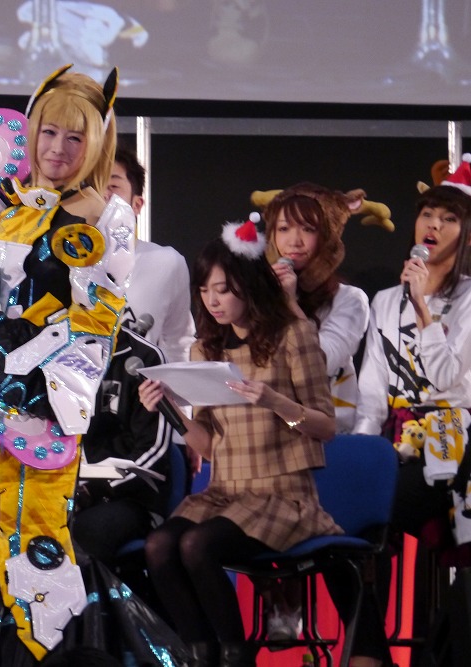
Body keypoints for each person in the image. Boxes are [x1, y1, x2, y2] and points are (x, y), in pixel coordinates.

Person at [0, 66, 187, 666]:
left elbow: (98, 323)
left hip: (46, 400)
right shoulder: (10, 208)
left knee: (36, 540)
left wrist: (22, 346)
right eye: (48, 132)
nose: (58, 149)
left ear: (96, 143)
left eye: (75, 137)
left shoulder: (107, 218)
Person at [138, 219, 341, 667]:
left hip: (282, 495)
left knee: (197, 546)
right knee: (159, 547)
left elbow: (326, 426)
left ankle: (237, 655)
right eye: (205, 291)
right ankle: (199, 652)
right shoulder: (205, 351)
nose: (212, 301)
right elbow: (210, 448)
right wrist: (169, 409)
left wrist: (274, 401)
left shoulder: (294, 335)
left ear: (249, 286)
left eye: (223, 290)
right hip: (225, 492)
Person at [347, 157, 471, 667]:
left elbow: (448, 383)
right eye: (427, 214)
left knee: (385, 508)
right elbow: (372, 389)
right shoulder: (384, 301)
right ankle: (369, 653)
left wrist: (423, 311)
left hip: (454, 446)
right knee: (344, 520)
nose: (433, 225)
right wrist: (359, 454)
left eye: (449, 218)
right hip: (393, 444)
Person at [256, 182, 392, 639]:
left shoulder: (349, 300)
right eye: (283, 229)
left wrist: (290, 305)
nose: (294, 240)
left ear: (327, 238)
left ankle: (363, 644)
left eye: (307, 230)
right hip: (265, 442)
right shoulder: (253, 294)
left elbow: (323, 360)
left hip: (328, 440)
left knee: (330, 539)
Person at [74, 325, 175, 566]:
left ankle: (101, 592)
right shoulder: (54, 354)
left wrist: (93, 489)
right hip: (65, 492)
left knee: (85, 531)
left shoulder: (143, 358)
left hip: (129, 498)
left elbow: (154, 451)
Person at [108, 145, 195, 364]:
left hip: (140, 384)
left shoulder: (166, 262)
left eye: (113, 186)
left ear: (137, 204)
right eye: (93, 185)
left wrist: (170, 383)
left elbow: (178, 343)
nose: (102, 194)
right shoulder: (57, 260)